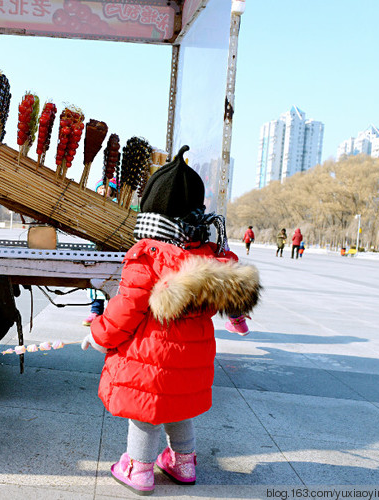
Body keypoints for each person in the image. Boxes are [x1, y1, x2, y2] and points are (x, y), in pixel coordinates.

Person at [81, 146, 261, 495]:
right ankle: (183, 463)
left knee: (146, 411)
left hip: (150, 357)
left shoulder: (148, 255)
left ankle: (138, 469)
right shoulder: (211, 258)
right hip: (191, 358)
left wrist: (99, 333)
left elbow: (124, 310)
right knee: (179, 407)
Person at [83, 178, 118, 326]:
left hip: (113, 247)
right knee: (95, 280)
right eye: (100, 188)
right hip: (96, 247)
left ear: (112, 190)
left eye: (106, 188)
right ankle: (95, 311)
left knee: (112, 282)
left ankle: (112, 314)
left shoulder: (117, 205)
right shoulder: (93, 204)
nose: (103, 191)